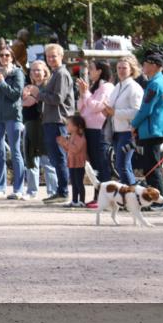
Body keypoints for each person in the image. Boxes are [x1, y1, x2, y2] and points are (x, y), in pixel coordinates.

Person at [31, 43, 74, 204]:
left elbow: (57, 99)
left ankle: (63, 191)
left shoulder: (61, 74)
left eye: (54, 56)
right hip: (51, 119)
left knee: (59, 157)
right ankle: (60, 190)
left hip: (58, 120)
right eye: (48, 56)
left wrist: (39, 94)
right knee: (55, 157)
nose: (51, 59)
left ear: (61, 57)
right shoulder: (56, 73)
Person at [131, 53, 163, 208]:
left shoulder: (155, 84)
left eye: (146, 64)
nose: (144, 67)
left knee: (152, 167)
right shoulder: (158, 82)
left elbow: (146, 109)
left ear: (154, 65)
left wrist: (133, 124)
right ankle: (158, 199)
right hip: (153, 130)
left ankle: (159, 201)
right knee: (151, 166)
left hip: (153, 131)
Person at [0, 44, 25, 199]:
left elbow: (15, 94)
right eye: (1, 55)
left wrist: (2, 83)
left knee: (15, 151)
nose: (3, 58)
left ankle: (18, 189)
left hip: (13, 116)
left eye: (7, 55)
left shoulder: (17, 73)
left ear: (12, 57)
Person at [76, 59, 115, 208]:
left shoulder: (107, 87)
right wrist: (83, 94)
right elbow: (81, 107)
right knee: (94, 165)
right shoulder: (93, 87)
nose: (88, 72)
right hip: (89, 129)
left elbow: (95, 107)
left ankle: (105, 198)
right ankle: (98, 196)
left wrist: (86, 94)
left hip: (99, 130)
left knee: (101, 163)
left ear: (99, 71)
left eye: (91, 68)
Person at [104, 55, 143, 186]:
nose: (121, 70)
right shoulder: (117, 86)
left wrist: (115, 112)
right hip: (117, 131)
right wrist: (108, 110)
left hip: (128, 132)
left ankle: (132, 195)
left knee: (122, 165)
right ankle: (131, 196)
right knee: (122, 166)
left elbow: (137, 112)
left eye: (124, 68)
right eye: (119, 68)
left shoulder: (134, 88)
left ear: (131, 69)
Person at [22, 60, 58, 200]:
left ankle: (52, 190)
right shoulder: (28, 87)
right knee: (31, 159)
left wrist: (31, 97)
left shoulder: (47, 86)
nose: (36, 73)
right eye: (33, 70)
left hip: (43, 124)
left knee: (46, 159)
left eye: (38, 70)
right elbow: (23, 102)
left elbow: (31, 102)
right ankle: (32, 191)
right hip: (29, 124)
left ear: (45, 72)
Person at [56, 113, 88, 208]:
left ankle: (82, 201)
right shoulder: (71, 136)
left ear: (77, 126)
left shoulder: (80, 137)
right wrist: (63, 143)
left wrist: (65, 142)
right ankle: (74, 201)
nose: (66, 126)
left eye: (68, 124)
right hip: (72, 162)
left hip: (79, 163)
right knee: (74, 182)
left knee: (79, 182)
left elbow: (75, 149)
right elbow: (69, 149)